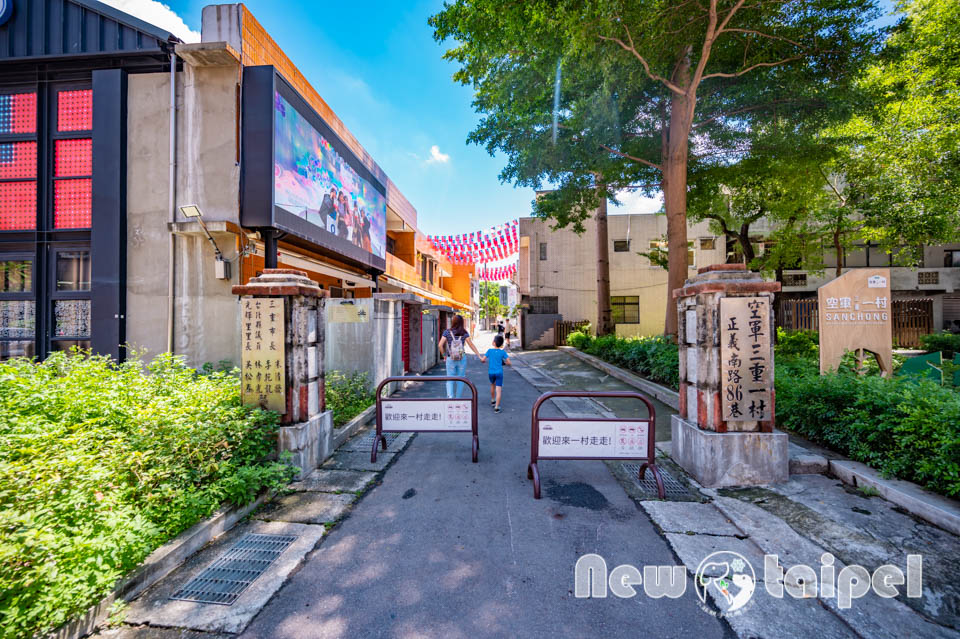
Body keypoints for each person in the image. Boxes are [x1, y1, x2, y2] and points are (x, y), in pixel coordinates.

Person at [438, 315, 482, 398]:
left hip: (450, 358)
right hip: (462, 358)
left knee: (450, 379)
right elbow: (471, 345)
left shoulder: (447, 332)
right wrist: (479, 355)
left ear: (453, 322)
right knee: (461, 379)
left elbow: (440, 345)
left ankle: (450, 398)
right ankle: (458, 398)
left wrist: (444, 356)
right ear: (462, 323)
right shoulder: (464, 332)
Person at [481, 334, 511, 413]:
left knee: (492, 385)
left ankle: (492, 400)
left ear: (494, 343)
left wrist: (482, 360)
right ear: (501, 344)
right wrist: (503, 363)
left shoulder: (489, 351)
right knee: (499, 390)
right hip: (499, 373)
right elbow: (509, 362)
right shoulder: (503, 352)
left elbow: (483, 360)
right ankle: (497, 407)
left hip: (491, 373)